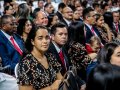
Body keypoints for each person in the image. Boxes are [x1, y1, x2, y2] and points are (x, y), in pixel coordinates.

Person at [18, 26, 63, 90]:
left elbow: (60, 79)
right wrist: (51, 88)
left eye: (47, 37)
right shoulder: (26, 63)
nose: (45, 41)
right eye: (40, 38)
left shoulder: (50, 57)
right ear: (32, 41)